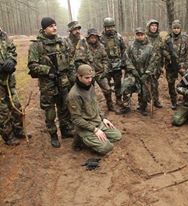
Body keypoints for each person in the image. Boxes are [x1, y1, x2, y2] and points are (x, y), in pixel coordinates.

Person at [28, 17, 75, 148]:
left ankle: (66, 130)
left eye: (55, 25)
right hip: (47, 84)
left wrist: (72, 78)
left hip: (63, 81)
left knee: (65, 107)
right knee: (50, 111)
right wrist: (48, 70)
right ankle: (53, 134)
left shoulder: (63, 42)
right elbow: (32, 65)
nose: (54, 28)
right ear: (44, 29)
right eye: (50, 26)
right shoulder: (36, 46)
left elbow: (71, 60)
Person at [67, 64, 122, 155]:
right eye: (87, 78)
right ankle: (81, 138)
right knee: (107, 147)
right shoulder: (74, 95)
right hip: (86, 126)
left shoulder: (90, 86)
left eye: (91, 77)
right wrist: (95, 130)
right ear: (79, 76)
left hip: (97, 122)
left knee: (117, 136)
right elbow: (76, 119)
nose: (90, 80)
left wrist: (103, 118)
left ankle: (92, 139)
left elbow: (95, 104)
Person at [121, 27, 157, 116]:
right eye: (138, 35)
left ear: (144, 35)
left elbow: (153, 61)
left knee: (145, 91)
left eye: (141, 34)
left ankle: (142, 107)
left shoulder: (150, 47)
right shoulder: (130, 46)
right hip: (132, 73)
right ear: (135, 35)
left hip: (145, 74)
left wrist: (147, 73)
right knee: (126, 85)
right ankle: (126, 106)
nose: (140, 36)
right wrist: (132, 70)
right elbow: (126, 59)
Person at [74, 28, 111, 110]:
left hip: (100, 72)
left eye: (95, 37)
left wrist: (105, 70)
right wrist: (86, 73)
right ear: (88, 38)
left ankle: (110, 105)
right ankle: (91, 108)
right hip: (88, 74)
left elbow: (105, 59)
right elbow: (79, 61)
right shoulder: (83, 46)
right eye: (91, 37)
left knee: (107, 89)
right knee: (89, 92)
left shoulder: (101, 46)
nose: (93, 39)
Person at [0, 28, 25, 145]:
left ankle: (19, 130)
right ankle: (8, 136)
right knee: (3, 111)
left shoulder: (3, 35)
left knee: (16, 104)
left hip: (9, 80)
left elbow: (12, 50)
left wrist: (11, 60)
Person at [164, 20, 188, 110]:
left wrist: (185, 65)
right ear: (172, 28)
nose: (176, 30)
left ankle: (187, 100)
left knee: (187, 82)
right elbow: (163, 50)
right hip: (170, 66)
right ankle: (174, 102)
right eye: (174, 28)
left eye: (178, 28)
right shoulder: (167, 39)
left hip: (182, 65)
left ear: (180, 29)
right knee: (171, 84)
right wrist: (169, 58)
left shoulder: (185, 38)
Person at [100, 17, 126, 112]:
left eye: (111, 26)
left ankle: (118, 99)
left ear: (114, 26)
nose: (110, 29)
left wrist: (123, 61)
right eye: (108, 27)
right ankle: (109, 102)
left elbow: (124, 49)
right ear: (105, 27)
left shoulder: (118, 37)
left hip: (117, 65)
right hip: (106, 65)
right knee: (106, 86)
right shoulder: (101, 38)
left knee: (118, 84)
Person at [146, 19, 165, 108]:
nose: (154, 27)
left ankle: (156, 100)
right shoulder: (145, 38)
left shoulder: (159, 38)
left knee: (155, 84)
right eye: (152, 25)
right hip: (147, 65)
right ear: (149, 27)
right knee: (146, 84)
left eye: (155, 26)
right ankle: (145, 101)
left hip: (157, 65)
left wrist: (162, 65)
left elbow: (162, 51)